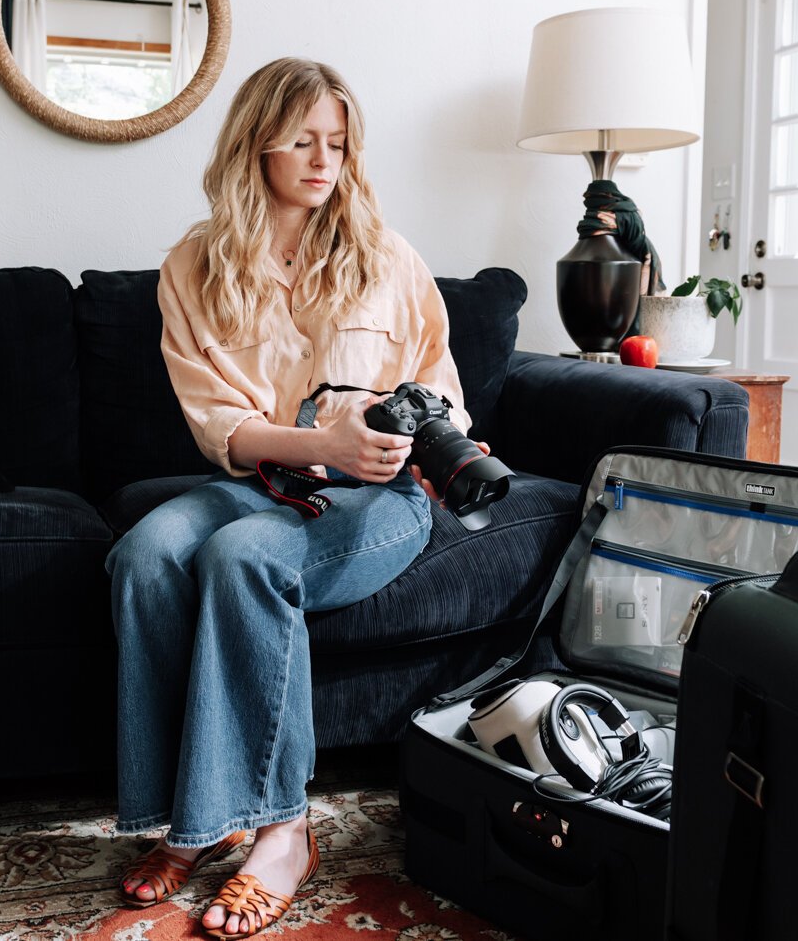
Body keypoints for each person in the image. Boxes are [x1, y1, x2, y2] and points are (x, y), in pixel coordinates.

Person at [106, 57, 482, 938]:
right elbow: (219, 426)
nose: (325, 160)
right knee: (143, 554)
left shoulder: (389, 257)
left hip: (378, 499)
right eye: (305, 140)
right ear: (258, 141)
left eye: (340, 144)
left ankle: (284, 831)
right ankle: (197, 822)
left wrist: (437, 438)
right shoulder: (194, 265)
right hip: (264, 480)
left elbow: (443, 386)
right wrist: (319, 444)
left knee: (245, 556)